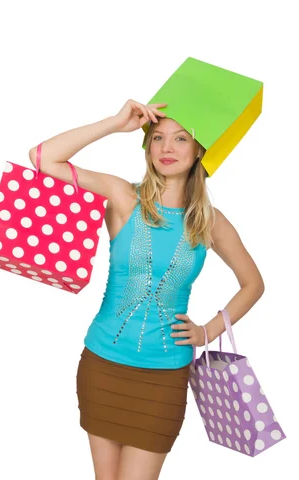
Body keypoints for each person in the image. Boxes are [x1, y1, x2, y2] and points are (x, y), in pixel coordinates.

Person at [29, 99, 264, 479]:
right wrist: (114, 123)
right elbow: (42, 157)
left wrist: (209, 331)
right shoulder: (123, 197)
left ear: (199, 150)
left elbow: (253, 284)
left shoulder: (209, 222)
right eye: (158, 138)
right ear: (147, 147)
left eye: (180, 139)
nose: (167, 148)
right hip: (102, 366)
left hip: (164, 375)